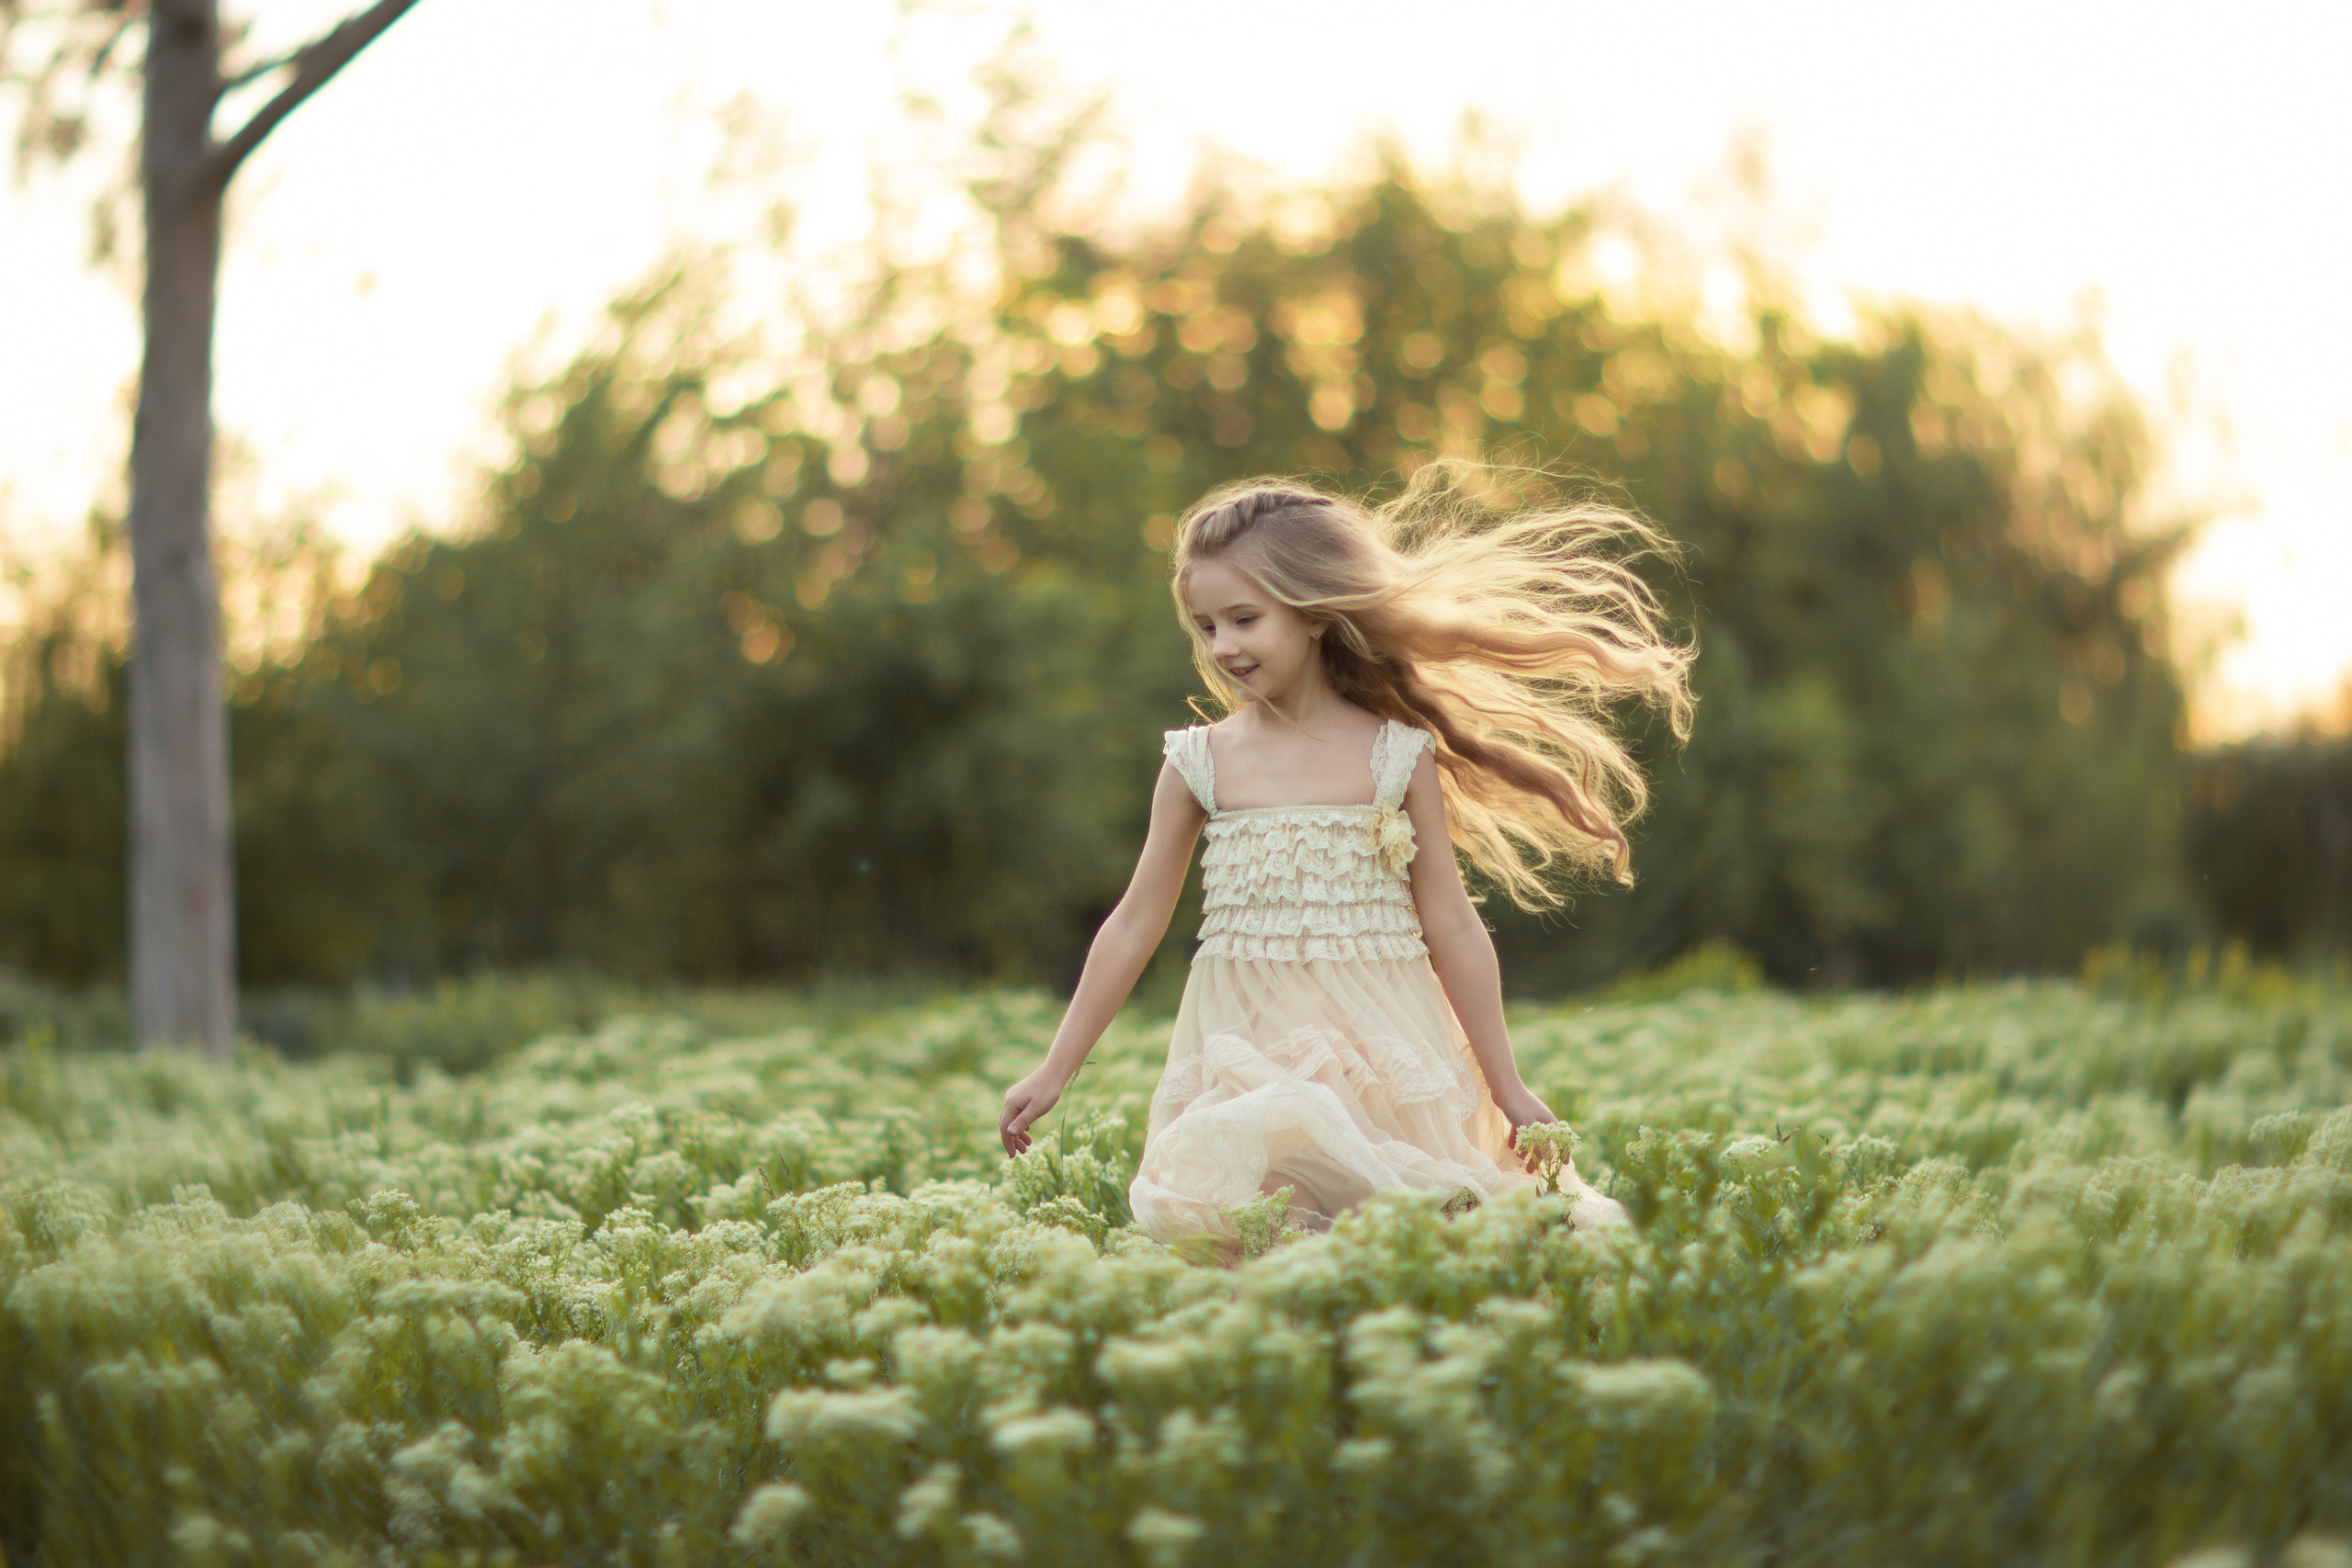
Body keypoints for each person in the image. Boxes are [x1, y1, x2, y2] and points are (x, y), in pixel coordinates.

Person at [997, 462, 1694, 1250]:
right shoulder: (1200, 762)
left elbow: (1453, 925)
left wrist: (1507, 1087)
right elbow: (1132, 923)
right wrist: (1054, 1070)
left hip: (1383, 1053)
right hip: (1245, 1046)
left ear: (1315, 613)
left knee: (1402, 1240)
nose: (1223, 645)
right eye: (1207, 626)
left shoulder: (1397, 756)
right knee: (1255, 1242)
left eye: (1244, 619)